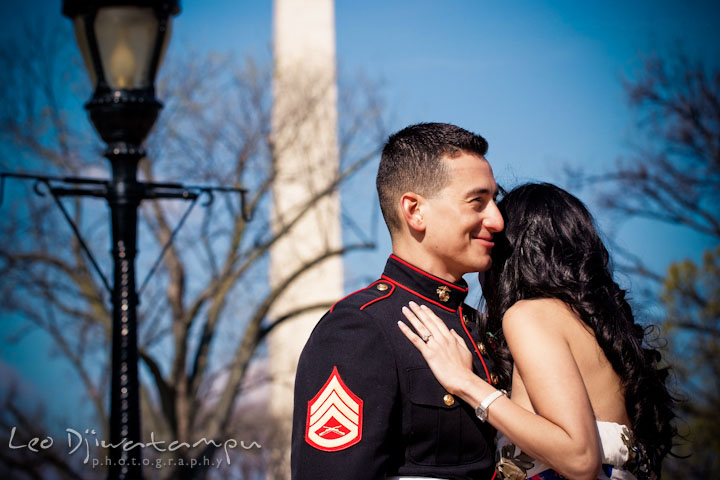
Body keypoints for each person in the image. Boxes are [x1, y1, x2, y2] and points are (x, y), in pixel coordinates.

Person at [399, 183, 677, 480]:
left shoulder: (529, 315)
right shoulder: (592, 326)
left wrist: (466, 383)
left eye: (492, 243)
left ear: (510, 252)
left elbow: (581, 459)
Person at [291, 123, 505, 479]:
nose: (497, 219)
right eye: (477, 202)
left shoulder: (485, 328)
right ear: (414, 211)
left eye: (494, 201)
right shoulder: (360, 329)